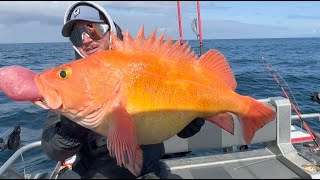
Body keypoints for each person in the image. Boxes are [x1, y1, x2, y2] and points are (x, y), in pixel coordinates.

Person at [41, 1, 205, 179]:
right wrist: (71, 126)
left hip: (151, 170)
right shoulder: (71, 82)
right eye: (76, 35)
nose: (86, 39)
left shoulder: (143, 62)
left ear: (109, 29)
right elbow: (54, 150)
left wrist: (192, 117)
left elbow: (185, 130)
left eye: (93, 29)